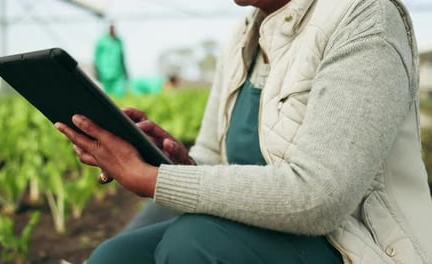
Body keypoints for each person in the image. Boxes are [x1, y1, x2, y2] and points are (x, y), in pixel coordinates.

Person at [55, 0, 432, 263]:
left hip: (352, 246)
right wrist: (172, 162)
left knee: (195, 244)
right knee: (114, 256)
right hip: (262, 233)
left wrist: (157, 180)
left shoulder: (366, 17)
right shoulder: (245, 34)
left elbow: (321, 198)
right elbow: (211, 155)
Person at [94, 23, 128, 97]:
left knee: (120, 95)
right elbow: (96, 57)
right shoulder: (101, 42)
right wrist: (97, 71)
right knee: (108, 96)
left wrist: (125, 72)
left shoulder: (119, 41)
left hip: (118, 73)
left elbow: (122, 57)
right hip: (105, 72)